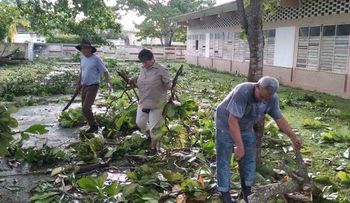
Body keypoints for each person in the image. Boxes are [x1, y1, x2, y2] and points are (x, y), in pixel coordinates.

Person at [215, 76, 303, 203]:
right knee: (224, 159)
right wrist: (239, 146)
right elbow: (232, 120)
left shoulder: (272, 99)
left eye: (266, 99)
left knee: (250, 158)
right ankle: (224, 193)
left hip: (246, 126)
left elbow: (279, 119)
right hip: (226, 124)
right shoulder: (243, 91)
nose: (263, 100)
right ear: (257, 86)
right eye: (261, 97)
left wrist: (293, 137)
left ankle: (247, 190)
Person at [129, 49, 172, 155]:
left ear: (152, 59)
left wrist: (172, 87)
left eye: (145, 62)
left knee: (155, 128)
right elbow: (142, 77)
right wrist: (134, 79)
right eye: (142, 62)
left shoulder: (161, 70)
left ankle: (153, 148)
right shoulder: (143, 68)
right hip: (144, 102)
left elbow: (168, 84)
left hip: (157, 103)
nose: (144, 64)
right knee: (140, 123)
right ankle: (151, 137)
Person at [75, 39, 112, 133]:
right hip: (84, 86)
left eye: (86, 48)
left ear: (90, 49)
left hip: (93, 86)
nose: (83, 50)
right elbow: (82, 71)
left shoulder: (96, 59)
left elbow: (105, 71)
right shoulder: (82, 59)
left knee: (86, 107)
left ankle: (94, 126)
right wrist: (78, 83)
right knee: (84, 107)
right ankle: (90, 124)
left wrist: (107, 82)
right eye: (82, 48)